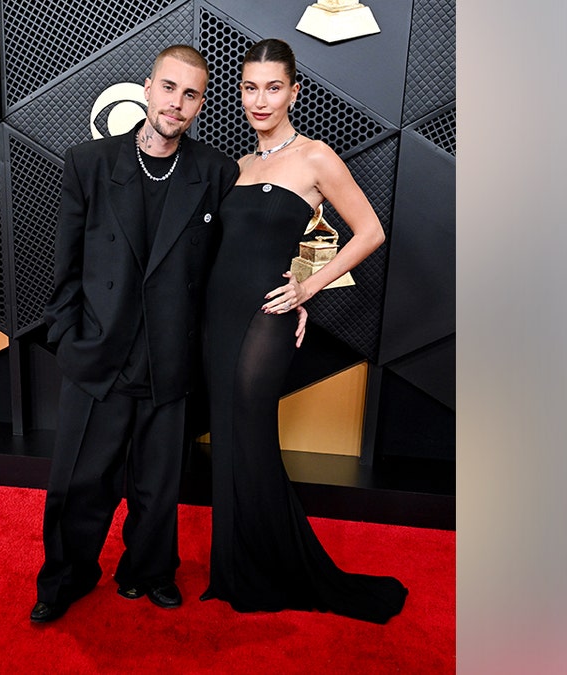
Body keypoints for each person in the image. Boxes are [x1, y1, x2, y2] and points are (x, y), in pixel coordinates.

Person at [31, 44, 304, 624]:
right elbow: (66, 265)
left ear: (201, 104)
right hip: (98, 354)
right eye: (169, 88)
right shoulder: (89, 162)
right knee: (80, 482)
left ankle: (149, 572)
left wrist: (297, 292)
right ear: (147, 89)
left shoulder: (216, 172)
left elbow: (250, 247)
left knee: (158, 486)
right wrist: (68, 340)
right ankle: (64, 579)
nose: (177, 103)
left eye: (191, 94)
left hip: (170, 354)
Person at [200, 38, 408, 624]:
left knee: (252, 436)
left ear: (294, 91)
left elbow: (370, 231)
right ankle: (235, 569)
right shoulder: (239, 167)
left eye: (273, 87)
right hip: (217, 318)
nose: (259, 100)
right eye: (249, 87)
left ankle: (277, 570)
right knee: (226, 439)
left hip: (268, 316)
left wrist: (307, 289)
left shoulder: (316, 157)